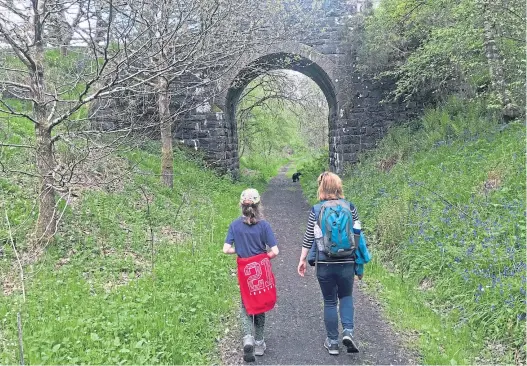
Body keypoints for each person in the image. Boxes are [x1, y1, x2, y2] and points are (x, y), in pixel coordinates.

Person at [297, 171, 361, 355]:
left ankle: (333, 342)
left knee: (330, 301)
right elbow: (358, 234)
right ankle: (348, 332)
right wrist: (359, 259)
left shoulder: (317, 209)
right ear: (338, 187)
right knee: (346, 297)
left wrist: (302, 259)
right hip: (347, 261)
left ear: (321, 188)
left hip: (325, 263)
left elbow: (309, 236)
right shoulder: (350, 207)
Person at [223, 188, 279, 362]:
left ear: (241, 205)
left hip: (245, 270)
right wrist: (263, 257)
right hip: (260, 270)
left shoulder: (234, 225)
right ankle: (259, 343)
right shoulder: (264, 225)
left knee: (246, 304)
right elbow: (275, 251)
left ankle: (247, 337)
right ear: (258, 205)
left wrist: (238, 249)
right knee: (260, 305)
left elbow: (225, 249)